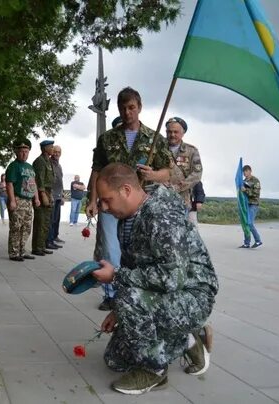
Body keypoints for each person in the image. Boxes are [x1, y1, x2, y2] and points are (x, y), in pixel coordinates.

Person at [90, 163, 219, 395]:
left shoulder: (161, 216)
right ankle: (186, 339)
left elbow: (172, 278)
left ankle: (154, 372)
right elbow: (136, 269)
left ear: (126, 190)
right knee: (115, 360)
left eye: (108, 199)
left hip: (191, 295)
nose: (105, 208)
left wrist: (116, 278)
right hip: (163, 293)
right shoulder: (127, 218)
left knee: (129, 298)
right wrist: (118, 311)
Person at [86, 87, 173, 311]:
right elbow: (96, 171)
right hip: (110, 204)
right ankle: (111, 295)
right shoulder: (107, 139)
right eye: (123, 108)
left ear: (139, 108)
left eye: (131, 107)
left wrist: (152, 174)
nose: (127, 112)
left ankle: (134, 292)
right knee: (109, 248)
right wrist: (92, 199)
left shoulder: (154, 139)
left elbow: (169, 172)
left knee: (136, 251)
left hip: (141, 205)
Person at [5, 138, 41, 261]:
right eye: (21, 151)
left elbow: (33, 183)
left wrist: (36, 198)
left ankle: (22, 250)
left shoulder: (30, 167)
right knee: (16, 227)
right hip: (18, 198)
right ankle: (14, 252)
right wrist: (12, 200)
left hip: (28, 200)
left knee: (26, 227)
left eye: (26, 151)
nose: (24, 154)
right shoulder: (13, 166)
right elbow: (9, 184)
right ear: (16, 152)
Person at [166, 117, 203, 211]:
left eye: (176, 132)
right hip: (161, 200)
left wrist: (178, 187)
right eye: (169, 132)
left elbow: (197, 174)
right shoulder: (158, 148)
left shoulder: (191, 151)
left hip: (182, 201)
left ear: (183, 133)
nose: (172, 135)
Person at [31, 139, 56, 256]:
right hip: (41, 193)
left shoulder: (49, 161)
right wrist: (43, 195)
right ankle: (36, 248)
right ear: (45, 148)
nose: (53, 149)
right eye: (51, 147)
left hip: (48, 192)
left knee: (46, 222)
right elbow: (38, 179)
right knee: (40, 221)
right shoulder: (40, 161)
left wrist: (49, 195)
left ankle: (42, 246)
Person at [240, 165, 263, 248]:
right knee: (245, 224)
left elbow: (255, 194)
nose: (244, 173)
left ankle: (258, 241)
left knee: (249, 223)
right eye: (243, 172)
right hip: (245, 205)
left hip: (253, 204)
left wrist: (245, 190)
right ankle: (246, 243)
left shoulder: (255, 180)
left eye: (246, 171)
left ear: (250, 171)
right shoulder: (244, 181)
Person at [47, 145, 66, 245]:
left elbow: (60, 181)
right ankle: (49, 239)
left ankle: (55, 236)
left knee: (57, 218)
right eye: (55, 151)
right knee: (51, 219)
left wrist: (62, 195)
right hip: (52, 195)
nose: (56, 154)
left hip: (58, 195)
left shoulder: (59, 165)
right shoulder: (49, 163)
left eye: (58, 152)